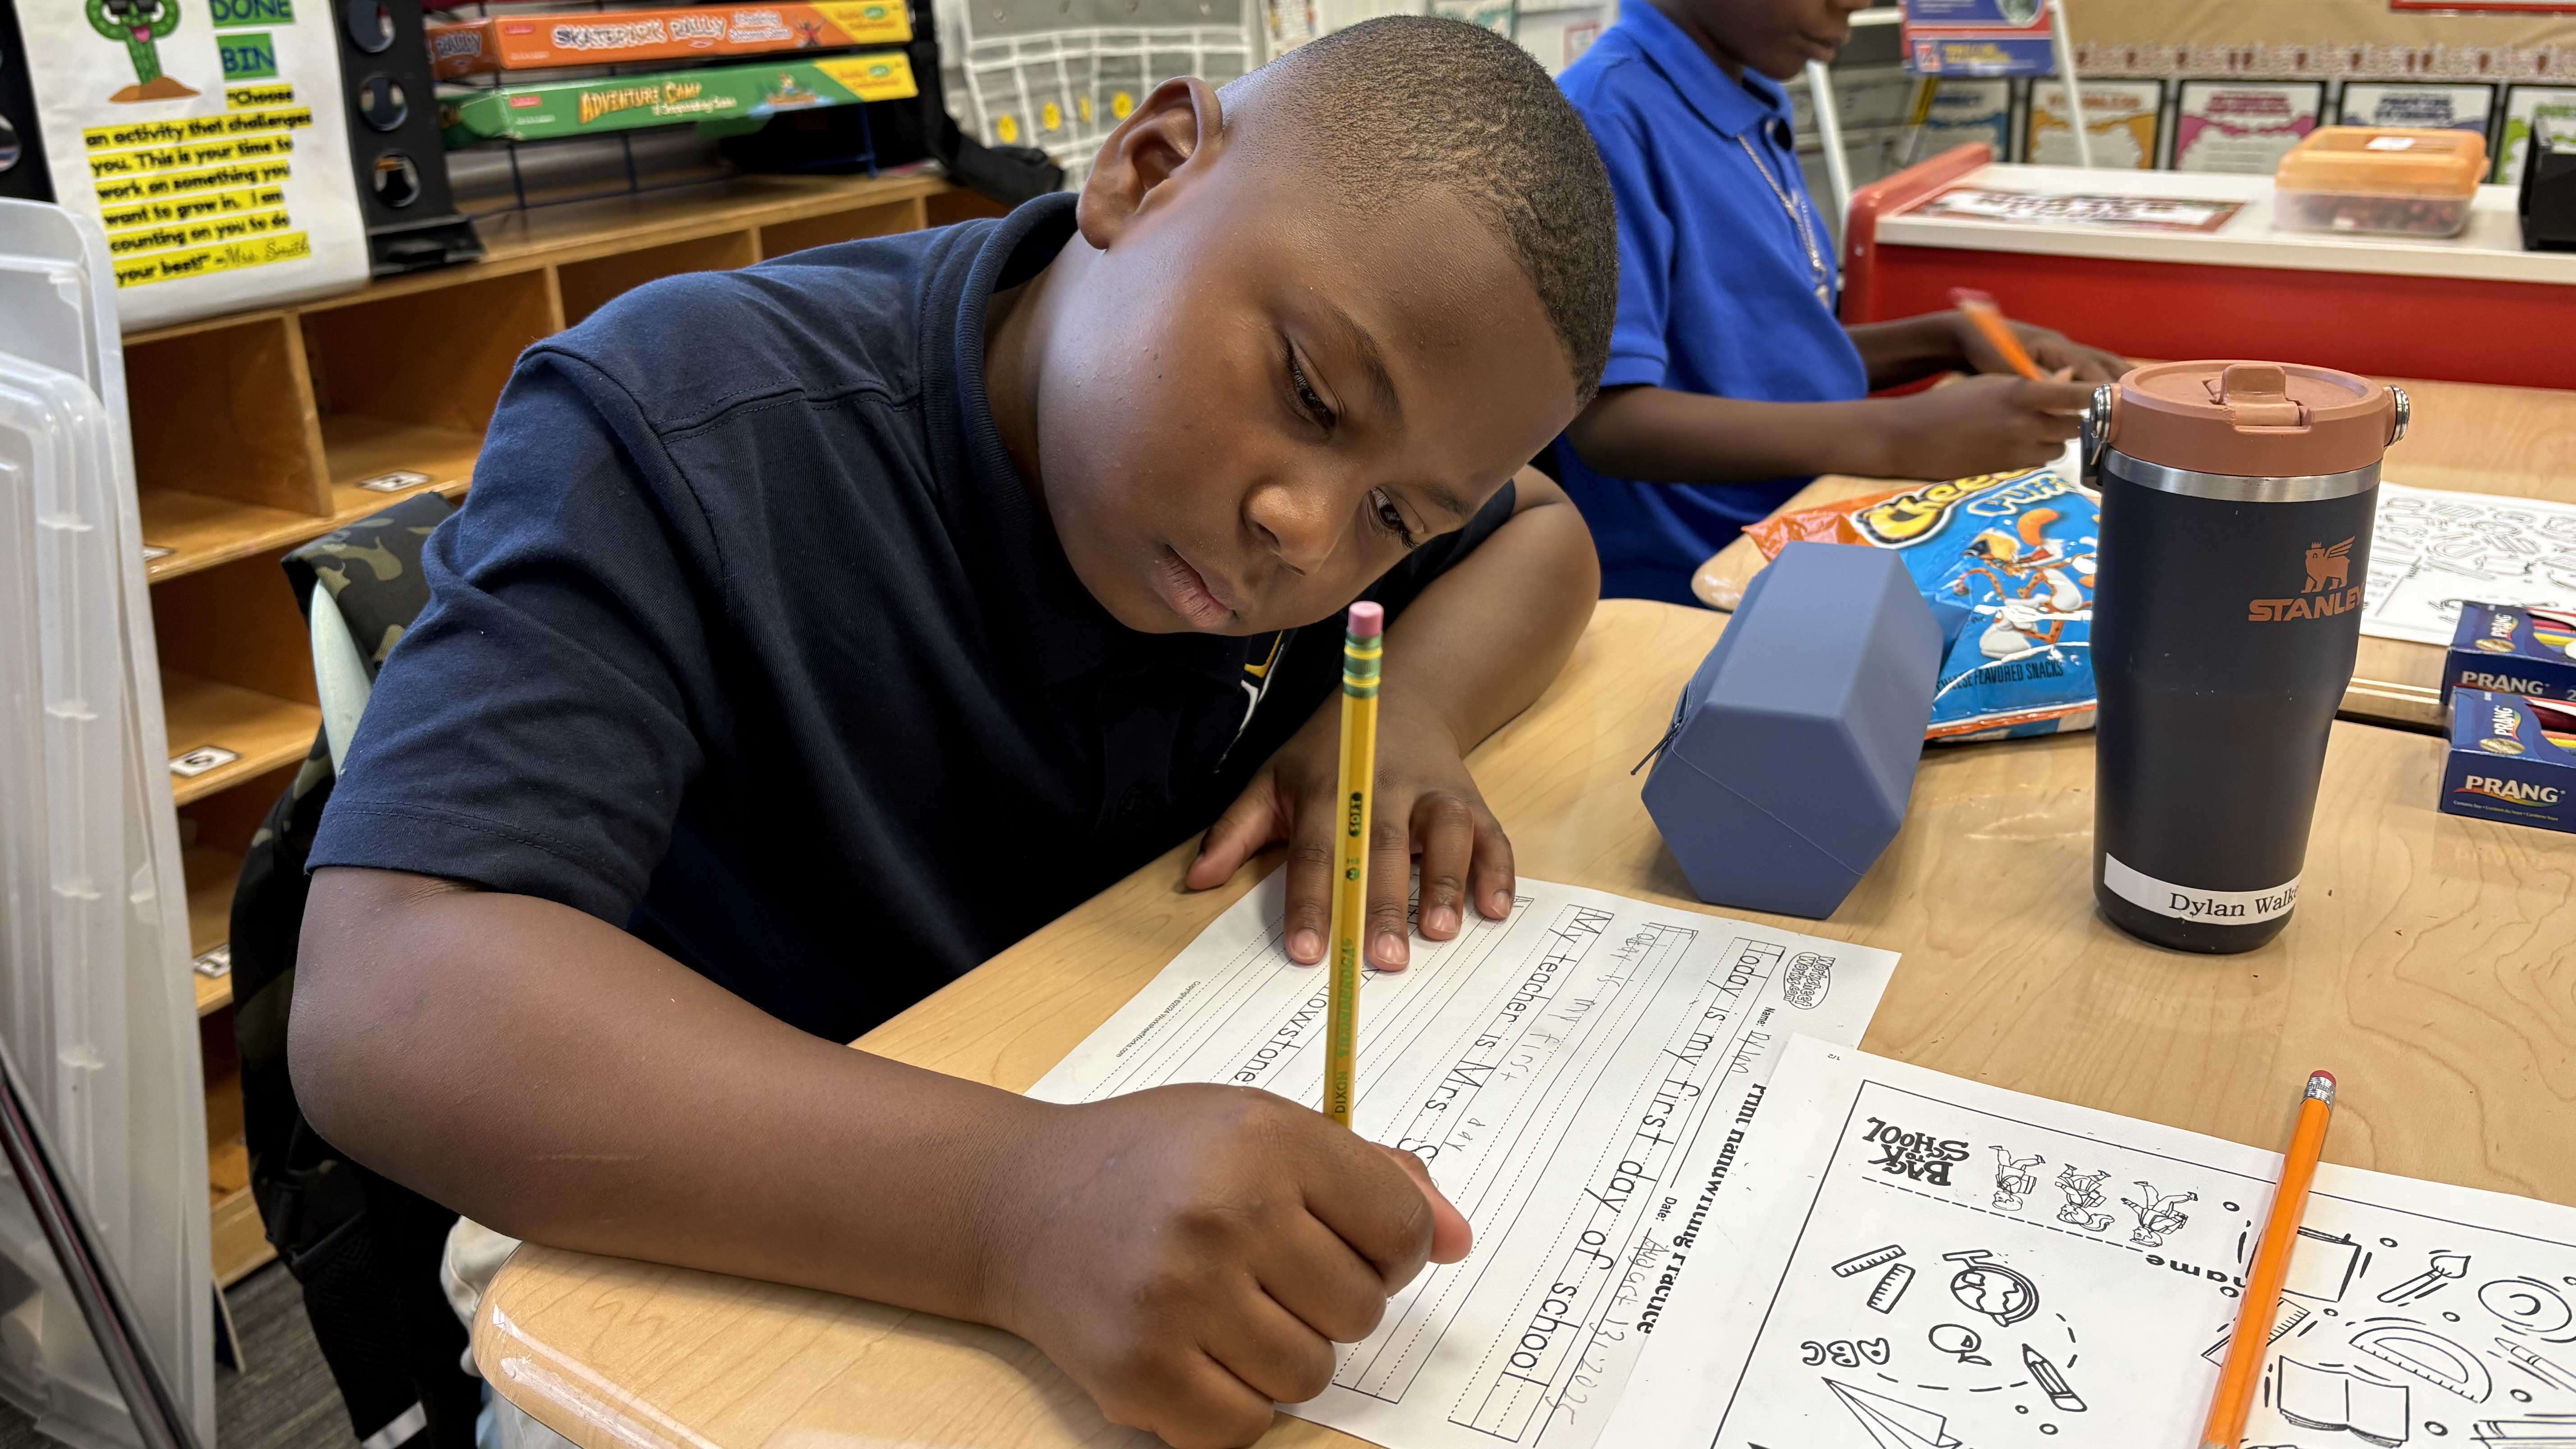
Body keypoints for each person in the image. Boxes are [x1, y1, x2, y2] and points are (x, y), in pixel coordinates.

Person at [287, 18, 1618, 1449]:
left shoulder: (1298, 495)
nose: (1306, 533)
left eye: (1398, 517)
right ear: (1148, 169)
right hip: (714, 1229)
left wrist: (1403, 716)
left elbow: (1546, 534)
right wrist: (1015, 1206)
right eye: (1305, 391)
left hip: (1081, 1128)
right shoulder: (687, 422)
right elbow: (390, 992)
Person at [1551, 0, 2128, 604]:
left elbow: (1753, 358)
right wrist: (1898, 435)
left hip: (1818, 518)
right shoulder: (1602, 120)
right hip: (1708, 580)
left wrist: (1945, 337)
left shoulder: (1753, 97)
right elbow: (1609, 423)